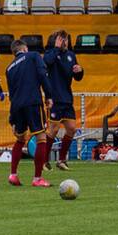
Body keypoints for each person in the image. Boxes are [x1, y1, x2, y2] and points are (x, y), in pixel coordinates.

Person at [4, 39, 53, 187]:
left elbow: (11, 94)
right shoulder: (33, 56)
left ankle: (13, 174)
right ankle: (37, 178)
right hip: (32, 102)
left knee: (20, 139)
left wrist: (12, 118)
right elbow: (42, 74)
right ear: (24, 49)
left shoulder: (9, 68)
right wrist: (49, 95)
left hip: (17, 106)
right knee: (41, 137)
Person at [43, 30, 83, 170]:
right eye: (62, 39)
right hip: (54, 99)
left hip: (67, 99)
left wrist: (80, 71)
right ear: (56, 41)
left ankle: (61, 160)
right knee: (53, 130)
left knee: (72, 129)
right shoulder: (50, 53)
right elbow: (46, 62)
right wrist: (56, 48)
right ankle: (44, 161)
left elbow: (77, 77)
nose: (65, 42)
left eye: (66, 39)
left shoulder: (71, 55)